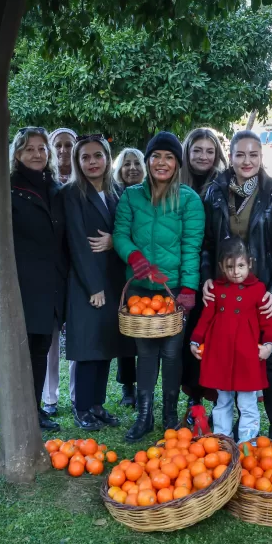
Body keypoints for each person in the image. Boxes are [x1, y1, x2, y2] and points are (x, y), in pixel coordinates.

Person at [201, 130, 272, 441]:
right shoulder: (215, 192)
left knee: (267, 356)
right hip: (225, 289)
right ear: (230, 156)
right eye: (240, 154)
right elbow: (206, 243)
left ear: (261, 157)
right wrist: (206, 278)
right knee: (224, 352)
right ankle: (224, 432)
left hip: (264, 289)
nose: (246, 160)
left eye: (253, 154)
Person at [114, 132, 205, 443]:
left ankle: (168, 413)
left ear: (177, 163)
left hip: (173, 290)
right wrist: (134, 255)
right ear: (147, 160)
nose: (162, 162)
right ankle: (144, 415)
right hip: (140, 288)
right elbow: (121, 234)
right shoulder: (130, 197)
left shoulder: (189, 200)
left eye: (168, 157)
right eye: (156, 156)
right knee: (145, 350)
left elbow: (192, 248)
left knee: (171, 351)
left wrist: (189, 288)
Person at [61, 135, 125, 430]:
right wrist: (93, 286)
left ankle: (97, 404)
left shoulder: (115, 193)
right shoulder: (72, 194)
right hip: (87, 282)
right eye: (85, 157)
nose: (92, 162)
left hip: (112, 280)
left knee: (105, 344)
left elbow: (124, 231)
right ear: (77, 162)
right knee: (87, 346)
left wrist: (115, 241)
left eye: (97, 156)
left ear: (107, 158)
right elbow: (75, 241)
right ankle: (82, 406)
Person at [189, 237, 272, 443]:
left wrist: (268, 345)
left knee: (247, 402)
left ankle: (247, 442)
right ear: (221, 266)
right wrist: (195, 341)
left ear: (250, 264)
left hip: (246, 356)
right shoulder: (216, 289)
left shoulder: (258, 289)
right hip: (220, 354)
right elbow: (205, 318)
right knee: (222, 400)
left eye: (240, 266)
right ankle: (223, 440)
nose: (235, 272)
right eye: (230, 267)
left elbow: (269, 321)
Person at [10, 127, 69, 431]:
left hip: (50, 284)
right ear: (17, 154)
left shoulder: (56, 189)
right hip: (22, 283)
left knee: (41, 347)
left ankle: (34, 408)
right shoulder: (8, 188)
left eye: (41, 148)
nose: (37, 154)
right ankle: (22, 409)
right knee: (22, 349)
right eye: (29, 149)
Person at [179, 128, 228, 422]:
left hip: (212, 275)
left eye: (210, 151)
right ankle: (191, 401)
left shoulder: (222, 186)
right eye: (197, 150)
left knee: (212, 341)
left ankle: (216, 403)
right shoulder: (174, 183)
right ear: (187, 152)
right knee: (187, 342)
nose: (204, 156)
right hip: (181, 276)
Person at [41, 127, 78, 417]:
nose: (64, 150)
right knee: (50, 338)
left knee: (77, 335)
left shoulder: (85, 184)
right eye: (59, 145)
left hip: (78, 271)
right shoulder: (47, 183)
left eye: (69, 145)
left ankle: (78, 394)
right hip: (52, 271)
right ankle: (49, 397)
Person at [110, 147, 146, 407]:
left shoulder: (149, 195)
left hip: (145, 270)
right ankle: (128, 388)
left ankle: (146, 386)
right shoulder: (112, 196)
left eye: (136, 163)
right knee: (125, 333)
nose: (132, 168)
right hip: (119, 271)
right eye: (126, 164)